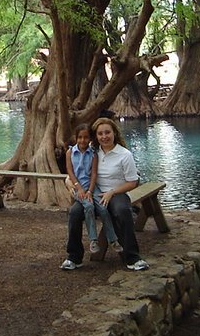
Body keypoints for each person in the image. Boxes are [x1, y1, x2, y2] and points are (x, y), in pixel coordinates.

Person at [61, 116, 150, 272]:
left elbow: (133, 182)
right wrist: (70, 183)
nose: (104, 137)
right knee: (74, 212)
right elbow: (74, 172)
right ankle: (74, 257)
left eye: (107, 132)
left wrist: (112, 192)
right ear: (96, 136)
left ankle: (133, 257)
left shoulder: (124, 155)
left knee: (122, 211)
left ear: (114, 133)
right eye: (100, 133)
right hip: (92, 193)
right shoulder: (91, 151)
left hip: (116, 193)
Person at [65, 124, 121, 256]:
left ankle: (113, 239)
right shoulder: (70, 152)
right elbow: (70, 171)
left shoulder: (93, 153)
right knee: (89, 207)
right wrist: (79, 188)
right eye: (80, 137)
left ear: (90, 138)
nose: (82, 140)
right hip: (78, 188)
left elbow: (94, 174)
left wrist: (90, 191)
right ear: (75, 138)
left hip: (92, 187)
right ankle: (93, 240)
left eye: (86, 137)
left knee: (102, 207)